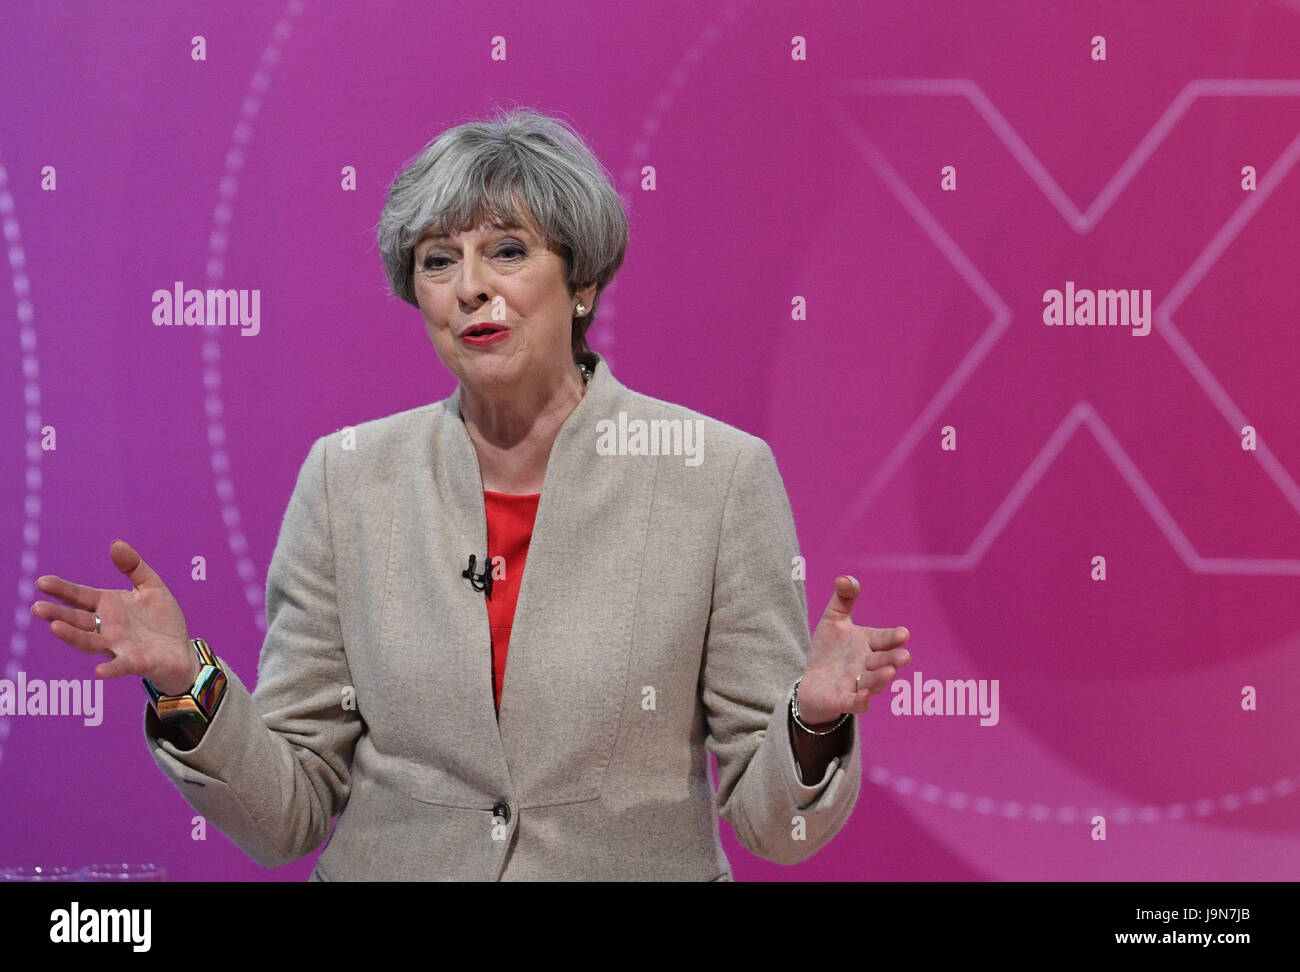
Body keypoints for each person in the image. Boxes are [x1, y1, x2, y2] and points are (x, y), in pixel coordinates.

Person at [29, 107, 912, 881]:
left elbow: (774, 828)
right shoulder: (348, 481)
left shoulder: (716, 476)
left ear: (583, 284)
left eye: (508, 252)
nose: (470, 287)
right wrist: (191, 686)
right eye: (438, 261)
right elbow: (289, 813)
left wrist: (811, 715)